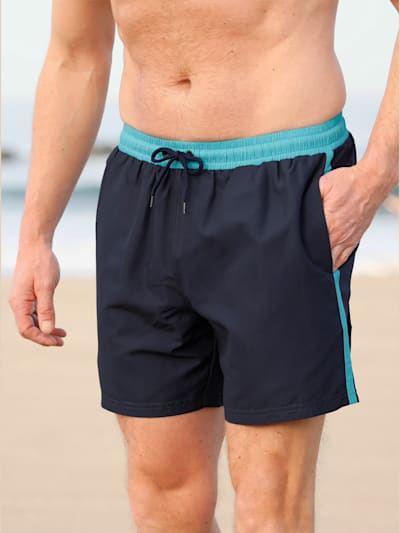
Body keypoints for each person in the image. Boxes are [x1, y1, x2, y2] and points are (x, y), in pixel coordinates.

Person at [8, 1, 399, 532]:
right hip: (144, 188)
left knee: (269, 508)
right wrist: (35, 236)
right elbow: (74, 57)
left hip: (281, 186)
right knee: (164, 502)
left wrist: (377, 175)